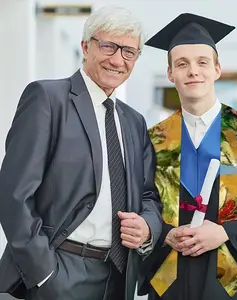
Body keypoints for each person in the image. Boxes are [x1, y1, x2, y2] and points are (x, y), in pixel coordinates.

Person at [0, 5, 162, 300]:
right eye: (108, 46)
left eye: (129, 52)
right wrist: (44, 273)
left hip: (117, 275)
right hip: (59, 271)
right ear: (86, 46)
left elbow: (148, 194)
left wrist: (148, 227)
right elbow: (14, 195)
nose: (117, 60)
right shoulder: (48, 100)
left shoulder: (134, 122)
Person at [138, 13, 237, 300]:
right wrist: (164, 234)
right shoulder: (154, 139)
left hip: (227, 280)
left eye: (202, 62)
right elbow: (140, 204)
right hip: (168, 280)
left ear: (217, 69)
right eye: (182, 64)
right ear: (170, 74)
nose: (193, 71)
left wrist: (226, 234)